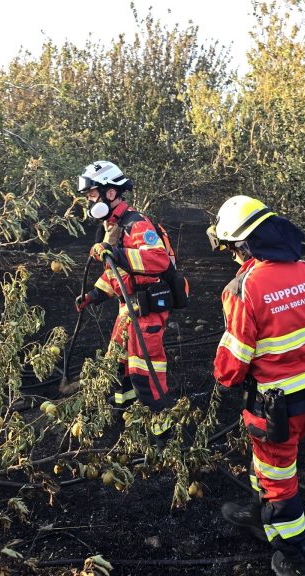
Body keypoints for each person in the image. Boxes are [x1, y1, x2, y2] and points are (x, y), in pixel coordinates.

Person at [208, 195, 305, 576]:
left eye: (232, 249)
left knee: (279, 482)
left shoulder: (244, 289)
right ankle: (260, 516)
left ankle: (296, 557)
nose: (233, 258)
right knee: (269, 464)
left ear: (244, 245)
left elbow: (230, 368)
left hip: (275, 412)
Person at [74, 160, 176, 440]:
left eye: (93, 194)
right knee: (116, 363)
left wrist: (116, 254)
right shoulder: (113, 226)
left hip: (147, 309)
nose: (90, 201)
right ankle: (126, 414)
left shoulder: (136, 223)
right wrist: (94, 294)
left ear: (110, 193)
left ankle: (161, 430)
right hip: (127, 308)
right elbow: (116, 274)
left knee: (145, 369)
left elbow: (157, 259)